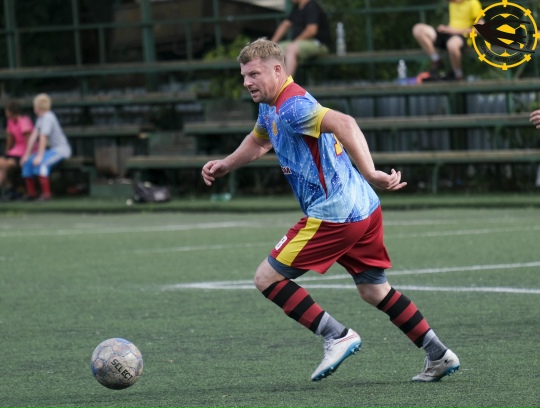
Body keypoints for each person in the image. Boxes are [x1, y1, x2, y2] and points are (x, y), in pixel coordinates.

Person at [201, 38, 460, 382]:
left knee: (266, 278)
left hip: (335, 213)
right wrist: (227, 164)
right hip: (364, 207)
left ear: (277, 70)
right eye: (244, 76)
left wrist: (371, 171)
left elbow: (346, 123)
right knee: (374, 290)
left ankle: (336, 335)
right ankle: (438, 353)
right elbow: (260, 140)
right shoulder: (270, 105)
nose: (247, 82)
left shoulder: (292, 105)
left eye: (254, 74)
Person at [412, 0, 482, 80]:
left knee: (452, 44)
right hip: (447, 34)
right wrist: (445, 29)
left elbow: (480, 30)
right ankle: (436, 60)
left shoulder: (473, 3)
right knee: (418, 29)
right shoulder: (452, 3)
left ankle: (458, 75)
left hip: (462, 36)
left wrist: (454, 30)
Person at [20, 93, 71, 201]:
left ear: (37, 107)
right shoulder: (40, 118)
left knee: (42, 164)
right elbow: (33, 137)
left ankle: (46, 193)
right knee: (28, 162)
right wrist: (27, 155)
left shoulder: (48, 117)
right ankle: (31, 193)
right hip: (52, 150)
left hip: (61, 150)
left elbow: (43, 137)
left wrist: (40, 156)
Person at [271, 0, 330, 77]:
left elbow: (312, 30)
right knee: (274, 50)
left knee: (291, 48)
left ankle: (286, 83)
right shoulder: (297, 8)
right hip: (298, 43)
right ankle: (273, 81)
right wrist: (271, 43)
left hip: (319, 44)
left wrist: (295, 42)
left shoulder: (312, 6)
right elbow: (285, 25)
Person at [0, 101, 34, 200]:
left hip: (24, 153)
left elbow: (28, 139)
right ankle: (10, 189)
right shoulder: (10, 121)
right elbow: (10, 139)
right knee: (1, 163)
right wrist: (7, 153)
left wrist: (28, 155)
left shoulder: (23, 121)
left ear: (10, 112)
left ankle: (10, 189)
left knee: (6, 165)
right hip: (14, 151)